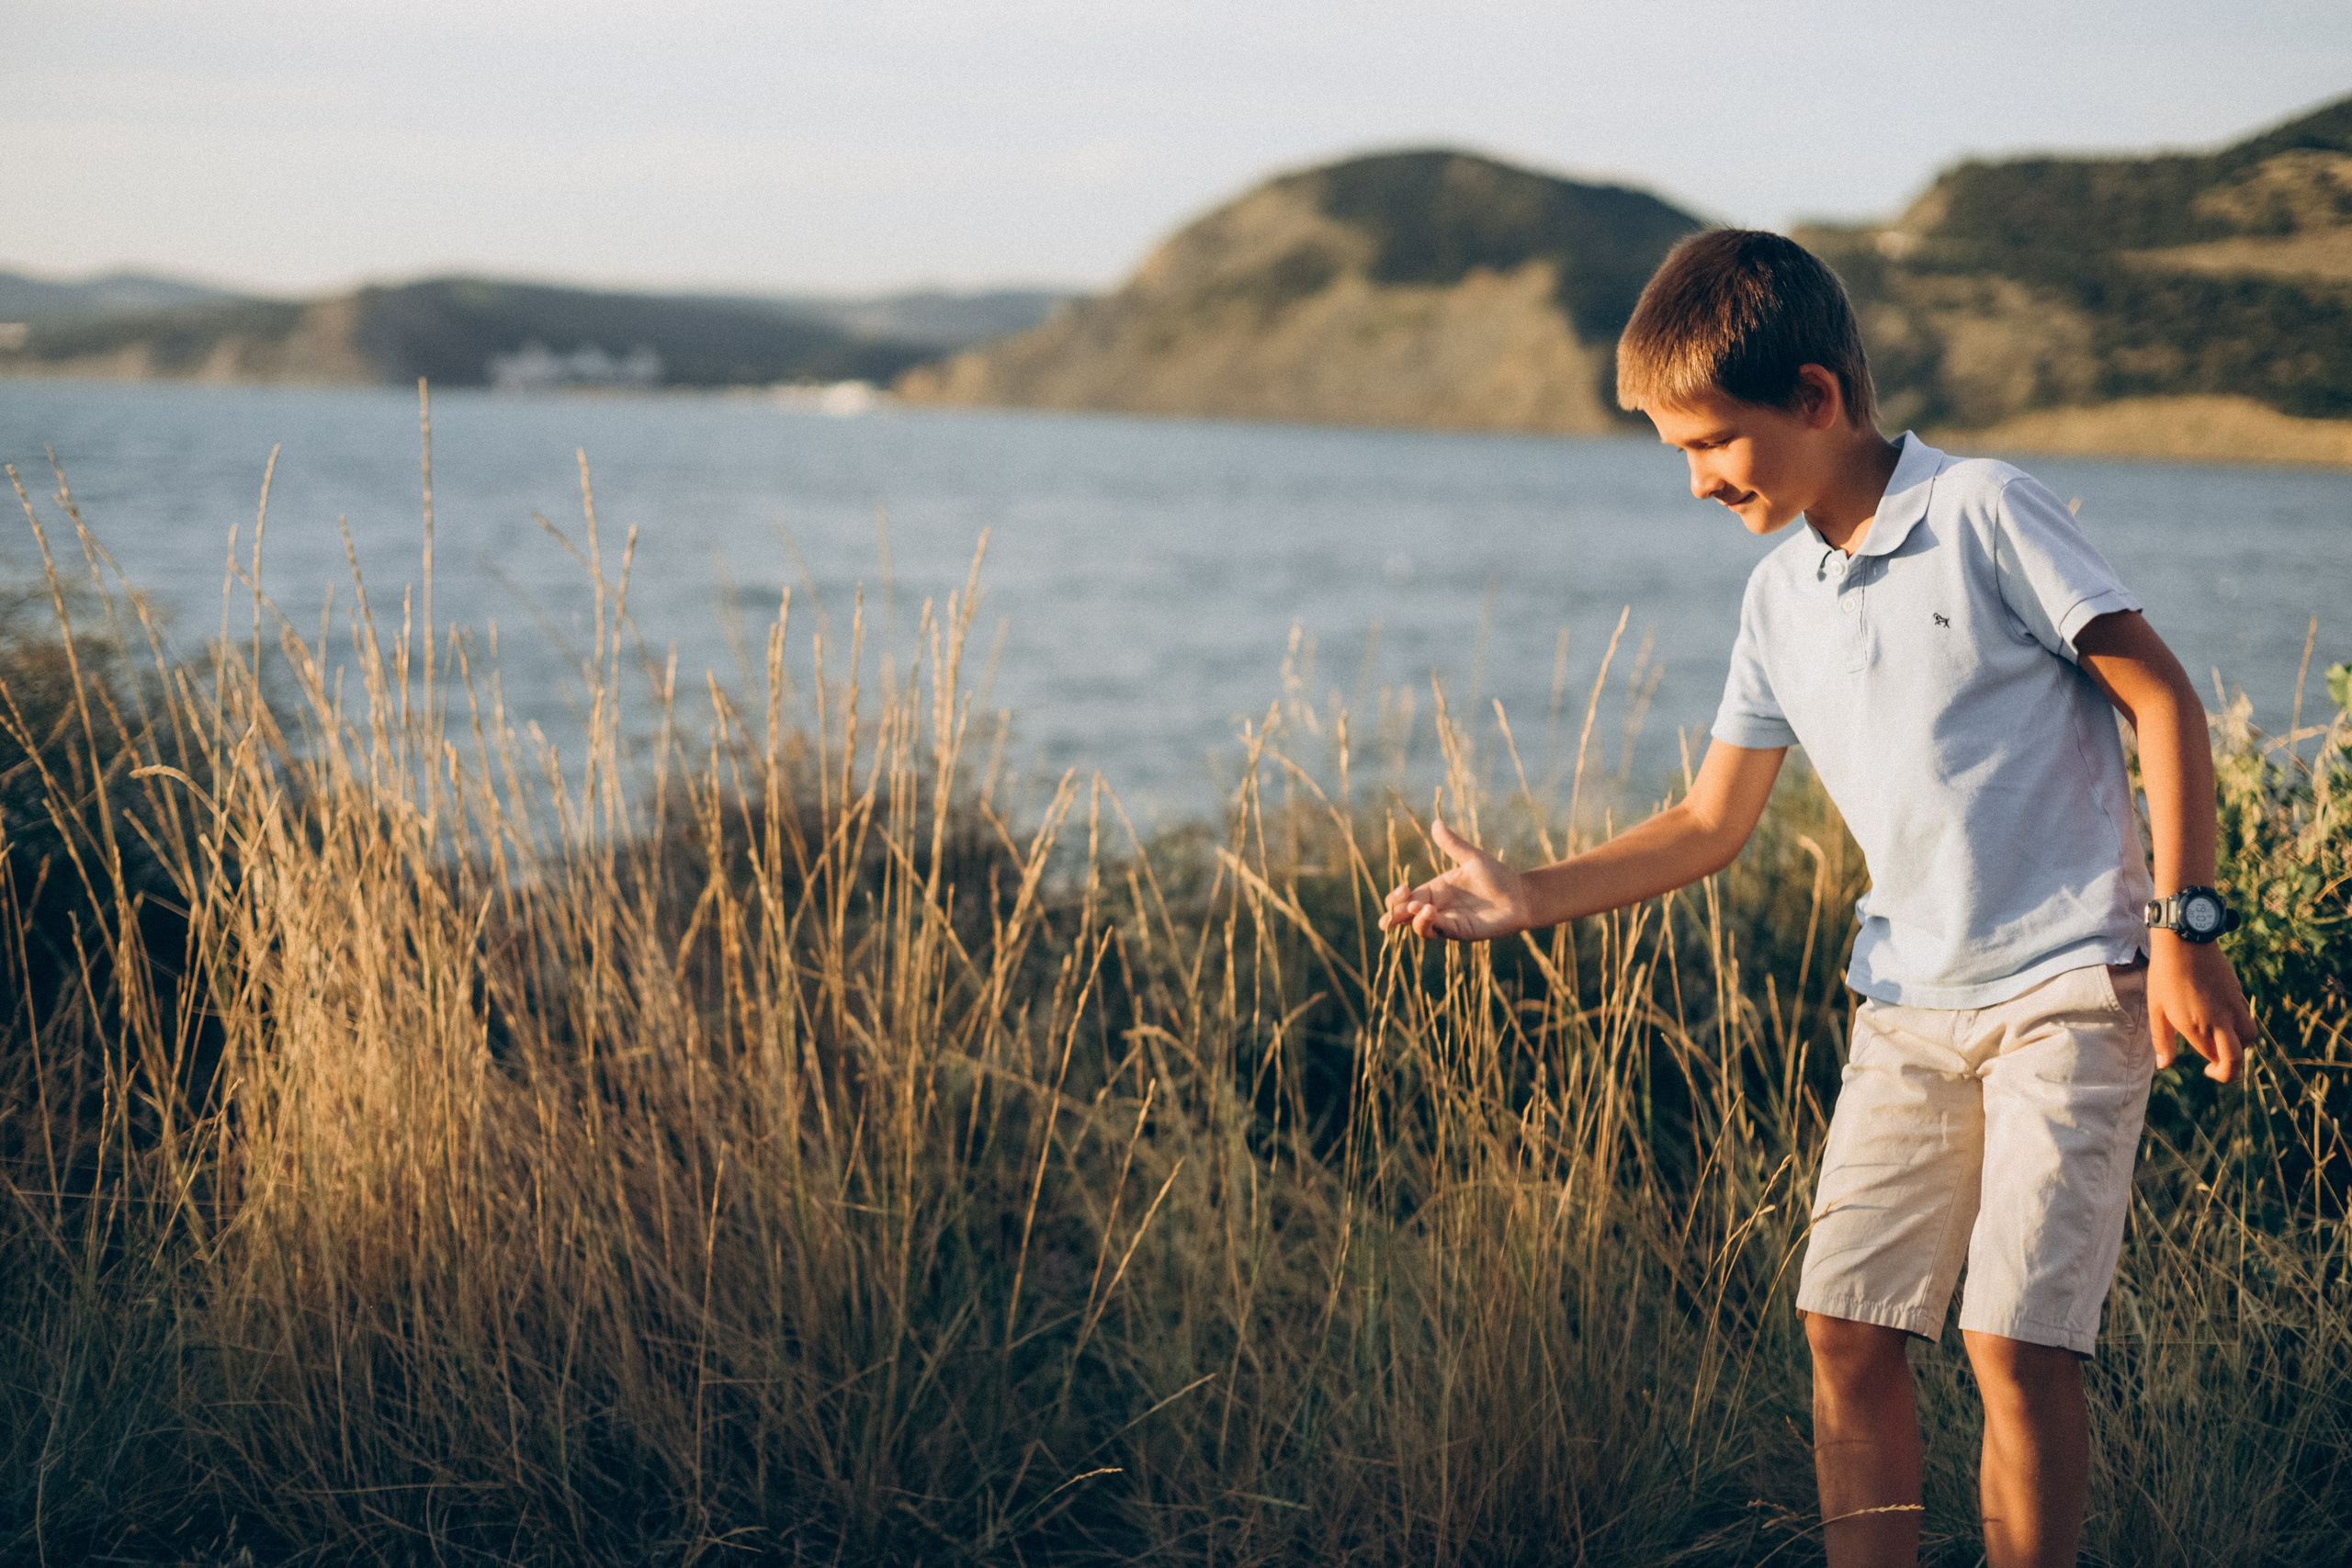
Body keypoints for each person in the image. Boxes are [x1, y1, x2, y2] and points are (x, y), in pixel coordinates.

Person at [1379, 229, 2257, 1568]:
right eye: (1676, 451)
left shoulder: (1982, 509)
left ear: (1816, 398)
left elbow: (2161, 695)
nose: (1693, 480)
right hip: (1905, 1007)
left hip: (2071, 988)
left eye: (1712, 443)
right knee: (1846, 1328)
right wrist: (1533, 895)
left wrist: (2188, 933)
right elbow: (1707, 821)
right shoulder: (1776, 598)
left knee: (2011, 1340)